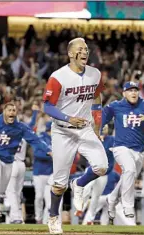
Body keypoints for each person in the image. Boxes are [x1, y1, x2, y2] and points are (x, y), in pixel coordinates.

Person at [42, 37, 108, 234]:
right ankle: (54, 217)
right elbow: (47, 106)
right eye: (80, 49)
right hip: (63, 130)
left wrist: (97, 124)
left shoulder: (95, 73)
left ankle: (79, 183)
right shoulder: (58, 76)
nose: (85, 52)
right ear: (70, 53)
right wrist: (68, 118)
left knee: (102, 166)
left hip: (86, 128)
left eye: (86, 49)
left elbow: (97, 97)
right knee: (59, 184)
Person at [101, 82, 144, 225]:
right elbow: (102, 117)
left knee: (127, 177)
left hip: (139, 151)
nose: (133, 93)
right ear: (124, 93)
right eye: (130, 90)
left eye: (135, 90)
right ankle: (127, 206)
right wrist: (99, 131)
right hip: (121, 147)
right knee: (129, 170)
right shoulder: (115, 106)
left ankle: (111, 198)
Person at [0, 100, 39, 224]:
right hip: (12, 162)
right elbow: (32, 124)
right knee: (11, 192)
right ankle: (16, 217)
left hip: (19, 164)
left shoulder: (20, 129)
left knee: (15, 192)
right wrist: (35, 113)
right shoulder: (18, 129)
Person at [82, 124, 115, 225]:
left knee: (96, 196)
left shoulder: (112, 140)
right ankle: (81, 207)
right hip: (92, 169)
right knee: (86, 188)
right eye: (102, 127)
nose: (104, 129)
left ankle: (89, 219)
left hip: (103, 173)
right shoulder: (91, 138)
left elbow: (113, 157)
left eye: (105, 128)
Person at [33, 121, 54, 224]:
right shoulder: (41, 137)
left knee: (49, 200)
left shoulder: (56, 139)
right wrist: (50, 156)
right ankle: (38, 218)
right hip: (39, 173)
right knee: (39, 197)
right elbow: (37, 154)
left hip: (50, 173)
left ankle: (46, 221)